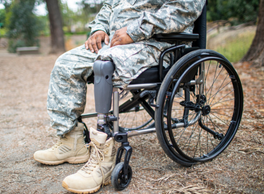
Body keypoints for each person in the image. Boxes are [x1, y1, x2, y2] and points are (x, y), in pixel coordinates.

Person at [33, 0, 206, 193]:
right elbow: (109, 6)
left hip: (158, 45)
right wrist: (99, 29)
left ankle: (103, 161)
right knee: (66, 64)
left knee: (104, 63)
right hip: (116, 44)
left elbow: (185, 8)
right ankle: (71, 140)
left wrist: (135, 30)